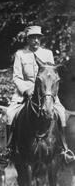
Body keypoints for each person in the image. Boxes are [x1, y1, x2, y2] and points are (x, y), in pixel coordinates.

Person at [6, 25, 74, 162]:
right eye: (33, 38)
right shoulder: (20, 54)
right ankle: (9, 148)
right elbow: (17, 77)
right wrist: (27, 89)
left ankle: (64, 148)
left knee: (61, 113)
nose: (36, 40)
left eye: (38, 37)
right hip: (24, 92)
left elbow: (52, 75)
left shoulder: (47, 54)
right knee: (9, 114)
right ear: (28, 39)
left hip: (46, 92)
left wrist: (50, 92)